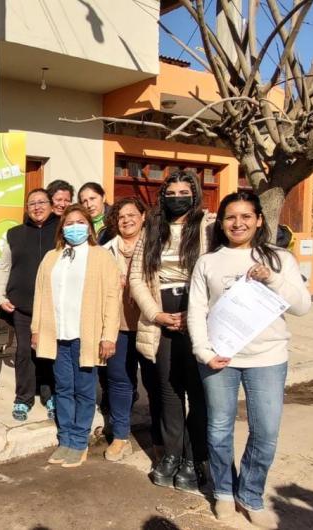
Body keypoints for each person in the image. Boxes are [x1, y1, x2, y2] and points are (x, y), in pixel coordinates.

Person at [188, 191, 310, 526]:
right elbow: (196, 311)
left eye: (245, 217)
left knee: (266, 431)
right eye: (230, 217)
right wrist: (203, 351)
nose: (237, 223)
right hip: (219, 359)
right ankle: (225, 493)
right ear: (222, 222)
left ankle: (251, 495)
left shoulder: (279, 259)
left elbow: (302, 306)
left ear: (258, 220)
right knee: (219, 428)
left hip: (268, 358)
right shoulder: (208, 262)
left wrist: (271, 278)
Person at [129, 171, 211, 494]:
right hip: (161, 313)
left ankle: (195, 458)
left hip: (198, 312)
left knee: (197, 390)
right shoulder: (152, 229)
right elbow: (137, 278)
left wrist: (192, 315)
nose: (177, 197)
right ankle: (172, 455)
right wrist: (158, 314)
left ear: (194, 195)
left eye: (184, 191)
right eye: (171, 192)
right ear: (163, 196)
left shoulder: (208, 227)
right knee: (168, 390)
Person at [31, 204, 120, 468]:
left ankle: (79, 441)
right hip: (57, 334)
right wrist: (36, 329)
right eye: (68, 223)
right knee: (63, 388)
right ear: (61, 229)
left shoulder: (101, 256)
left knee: (83, 389)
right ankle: (66, 439)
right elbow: (40, 295)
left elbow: (112, 298)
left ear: (89, 227)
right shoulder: (51, 257)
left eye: (80, 222)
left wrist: (108, 336)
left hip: (86, 335)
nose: (74, 227)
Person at [101, 197, 162, 462]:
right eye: (121, 217)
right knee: (119, 381)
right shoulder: (107, 250)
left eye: (131, 215)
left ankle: (162, 438)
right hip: (120, 325)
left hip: (150, 324)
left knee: (156, 382)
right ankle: (121, 436)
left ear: (143, 216)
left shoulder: (157, 245)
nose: (126, 220)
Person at [0, 188, 58, 422]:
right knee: (24, 352)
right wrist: (1, 297)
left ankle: (49, 395)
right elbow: (4, 267)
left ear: (51, 205)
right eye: (32, 203)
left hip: (54, 307)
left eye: (42, 202)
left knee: (49, 352)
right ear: (26, 208)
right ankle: (23, 398)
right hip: (22, 306)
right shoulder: (15, 234)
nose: (37, 207)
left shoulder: (61, 231)